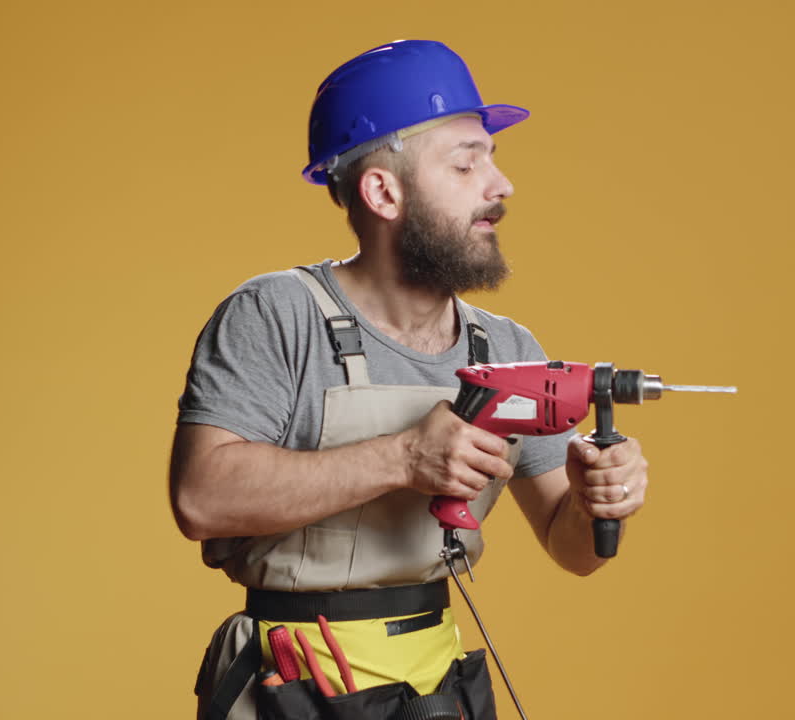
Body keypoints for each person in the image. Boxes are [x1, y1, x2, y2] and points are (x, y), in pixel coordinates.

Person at [171, 40, 650, 720]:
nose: (501, 184)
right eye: (466, 162)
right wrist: (404, 456)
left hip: (436, 688)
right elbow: (201, 499)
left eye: (493, 156)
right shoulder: (276, 315)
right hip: (296, 690)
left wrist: (596, 501)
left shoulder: (507, 347)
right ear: (383, 191)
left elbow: (571, 548)